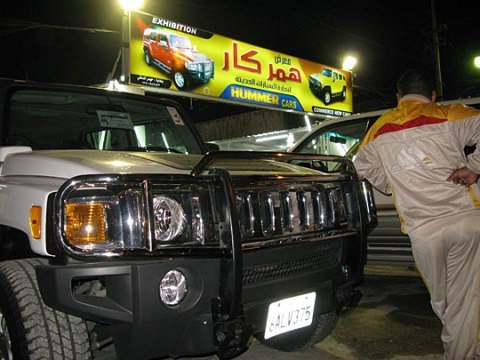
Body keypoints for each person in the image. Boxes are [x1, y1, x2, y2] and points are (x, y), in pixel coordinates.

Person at [354, 69, 480, 359]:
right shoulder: (449, 114)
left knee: (446, 302)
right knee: (460, 301)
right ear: (433, 95)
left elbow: (363, 167)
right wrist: (473, 167)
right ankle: (468, 345)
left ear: (398, 98)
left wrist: (394, 184)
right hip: (464, 220)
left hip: (423, 232)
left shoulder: (378, 129)